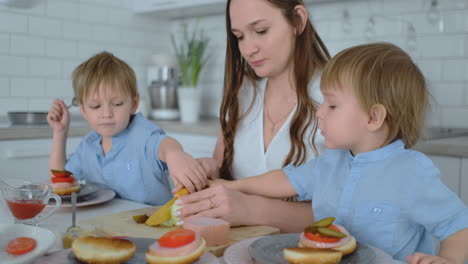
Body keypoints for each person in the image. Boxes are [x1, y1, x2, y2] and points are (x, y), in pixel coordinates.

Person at [218, 42, 468, 263]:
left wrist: (448, 259)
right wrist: (235, 186)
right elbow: (286, 179)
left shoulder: (412, 173)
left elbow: (458, 225)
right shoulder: (331, 161)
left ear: (373, 117)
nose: (319, 112)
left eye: (332, 105)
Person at [173, 0, 330, 232]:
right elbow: (221, 165)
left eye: (261, 31)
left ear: (297, 20)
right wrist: (207, 170)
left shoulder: (336, 98)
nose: (247, 49)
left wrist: (251, 209)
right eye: (239, 36)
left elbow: (345, 212)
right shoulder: (243, 93)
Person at [47, 51, 208, 205]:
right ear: (83, 110)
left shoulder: (142, 133)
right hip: (107, 226)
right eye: (95, 106)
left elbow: (164, 145)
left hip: (153, 225)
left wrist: (175, 154)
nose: (106, 114)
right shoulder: (88, 146)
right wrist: (60, 132)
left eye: (117, 104)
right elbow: (60, 180)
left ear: (134, 103)